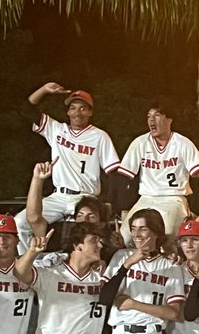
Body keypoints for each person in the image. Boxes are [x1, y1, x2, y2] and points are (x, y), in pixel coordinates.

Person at [13, 82, 122, 253]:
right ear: (68, 112)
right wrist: (44, 90)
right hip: (58, 196)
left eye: (83, 108)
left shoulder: (100, 136)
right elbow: (27, 109)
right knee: (20, 223)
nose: (77, 112)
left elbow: (113, 172)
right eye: (73, 107)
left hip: (85, 198)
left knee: (85, 235)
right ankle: (30, 264)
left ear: (90, 112)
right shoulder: (56, 129)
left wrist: (110, 202)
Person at [116, 99, 199, 239]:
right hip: (146, 198)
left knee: (164, 236)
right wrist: (124, 208)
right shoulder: (140, 142)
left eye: (157, 115)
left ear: (169, 119)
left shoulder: (182, 143)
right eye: (149, 116)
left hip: (174, 198)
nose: (151, 120)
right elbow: (123, 177)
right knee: (125, 237)